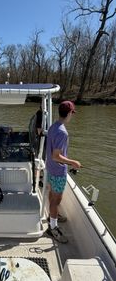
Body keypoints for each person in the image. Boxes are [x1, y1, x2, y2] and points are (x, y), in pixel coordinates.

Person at [46, 100, 81, 243]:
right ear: (69, 113)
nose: (72, 116)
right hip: (58, 171)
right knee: (57, 199)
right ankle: (53, 228)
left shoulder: (53, 126)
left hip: (50, 169)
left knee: (52, 194)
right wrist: (73, 162)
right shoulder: (62, 132)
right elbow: (56, 156)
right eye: (72, 113)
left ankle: (52, 215)